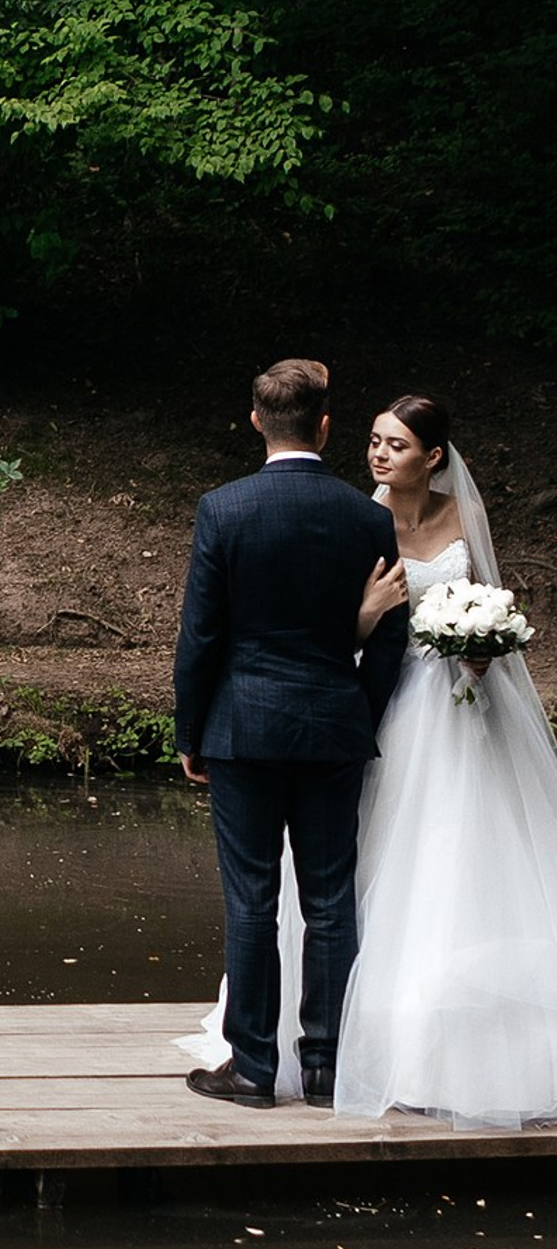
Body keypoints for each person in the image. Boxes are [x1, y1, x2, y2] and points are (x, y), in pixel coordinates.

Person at [174, 357, 406, 1110]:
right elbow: (392, 637)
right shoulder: (368, 517)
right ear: (328, 426)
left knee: (252, 895)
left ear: (254, 422)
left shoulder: (224, 509)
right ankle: (328, 1065)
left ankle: (249, 1066)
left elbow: (202, 637)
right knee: (331, 898)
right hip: (332, 726)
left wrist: (191, 731)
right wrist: (358, 716)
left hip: (243, 728)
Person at [331, 397, 557, 1126]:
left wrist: (485, 645)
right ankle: (391, 1019)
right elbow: (337, 623)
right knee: (399, 844)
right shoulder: (361, 520)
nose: (379, 454)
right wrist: (364, 616)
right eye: (373, 442)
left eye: (396, 445)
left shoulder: (463, 514)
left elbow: (486, 596)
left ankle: (480, 1016)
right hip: (398, 702)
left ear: (433, 456)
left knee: (476, 845)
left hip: (467, 701)